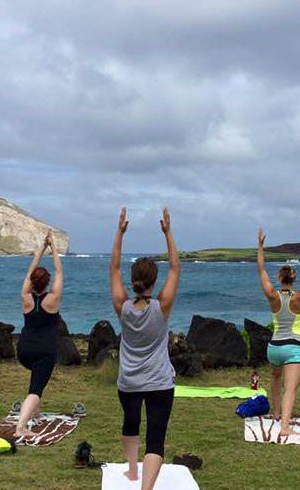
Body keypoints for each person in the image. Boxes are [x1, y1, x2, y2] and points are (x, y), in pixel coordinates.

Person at [109, 207, 180, 490]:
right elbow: (176, 267)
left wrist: (120, 232)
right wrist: (167, 232)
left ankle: (131, 470)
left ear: (134, 280)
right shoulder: (162, 306)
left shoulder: (123, 307)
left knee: (131, 422)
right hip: (160, 381)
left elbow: (113, 267)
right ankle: (145, 487)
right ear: (153, 281)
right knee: (156, 438)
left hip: (129, 381)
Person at [256, 229, 300, 436]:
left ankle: (276, 413)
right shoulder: (299, 298)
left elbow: (261, 270)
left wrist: (260, 247)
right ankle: (284, 427)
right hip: (293, 348)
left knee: (275, 377)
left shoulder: (272, 296)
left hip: (274, 347)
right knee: (290, 388)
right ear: (293, 278)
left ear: (279, 278)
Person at [14, 229, 63, 439]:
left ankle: (35, 412)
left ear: (32, 282)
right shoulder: (52, 299)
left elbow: (28, 274)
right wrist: (54, 248)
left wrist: (42, 248)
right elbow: (59, 273)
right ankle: (21, 427)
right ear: (47, 282)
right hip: (44, 351)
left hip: (24, 350)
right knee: (36, 389)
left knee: (36, 380)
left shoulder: (25, 296)